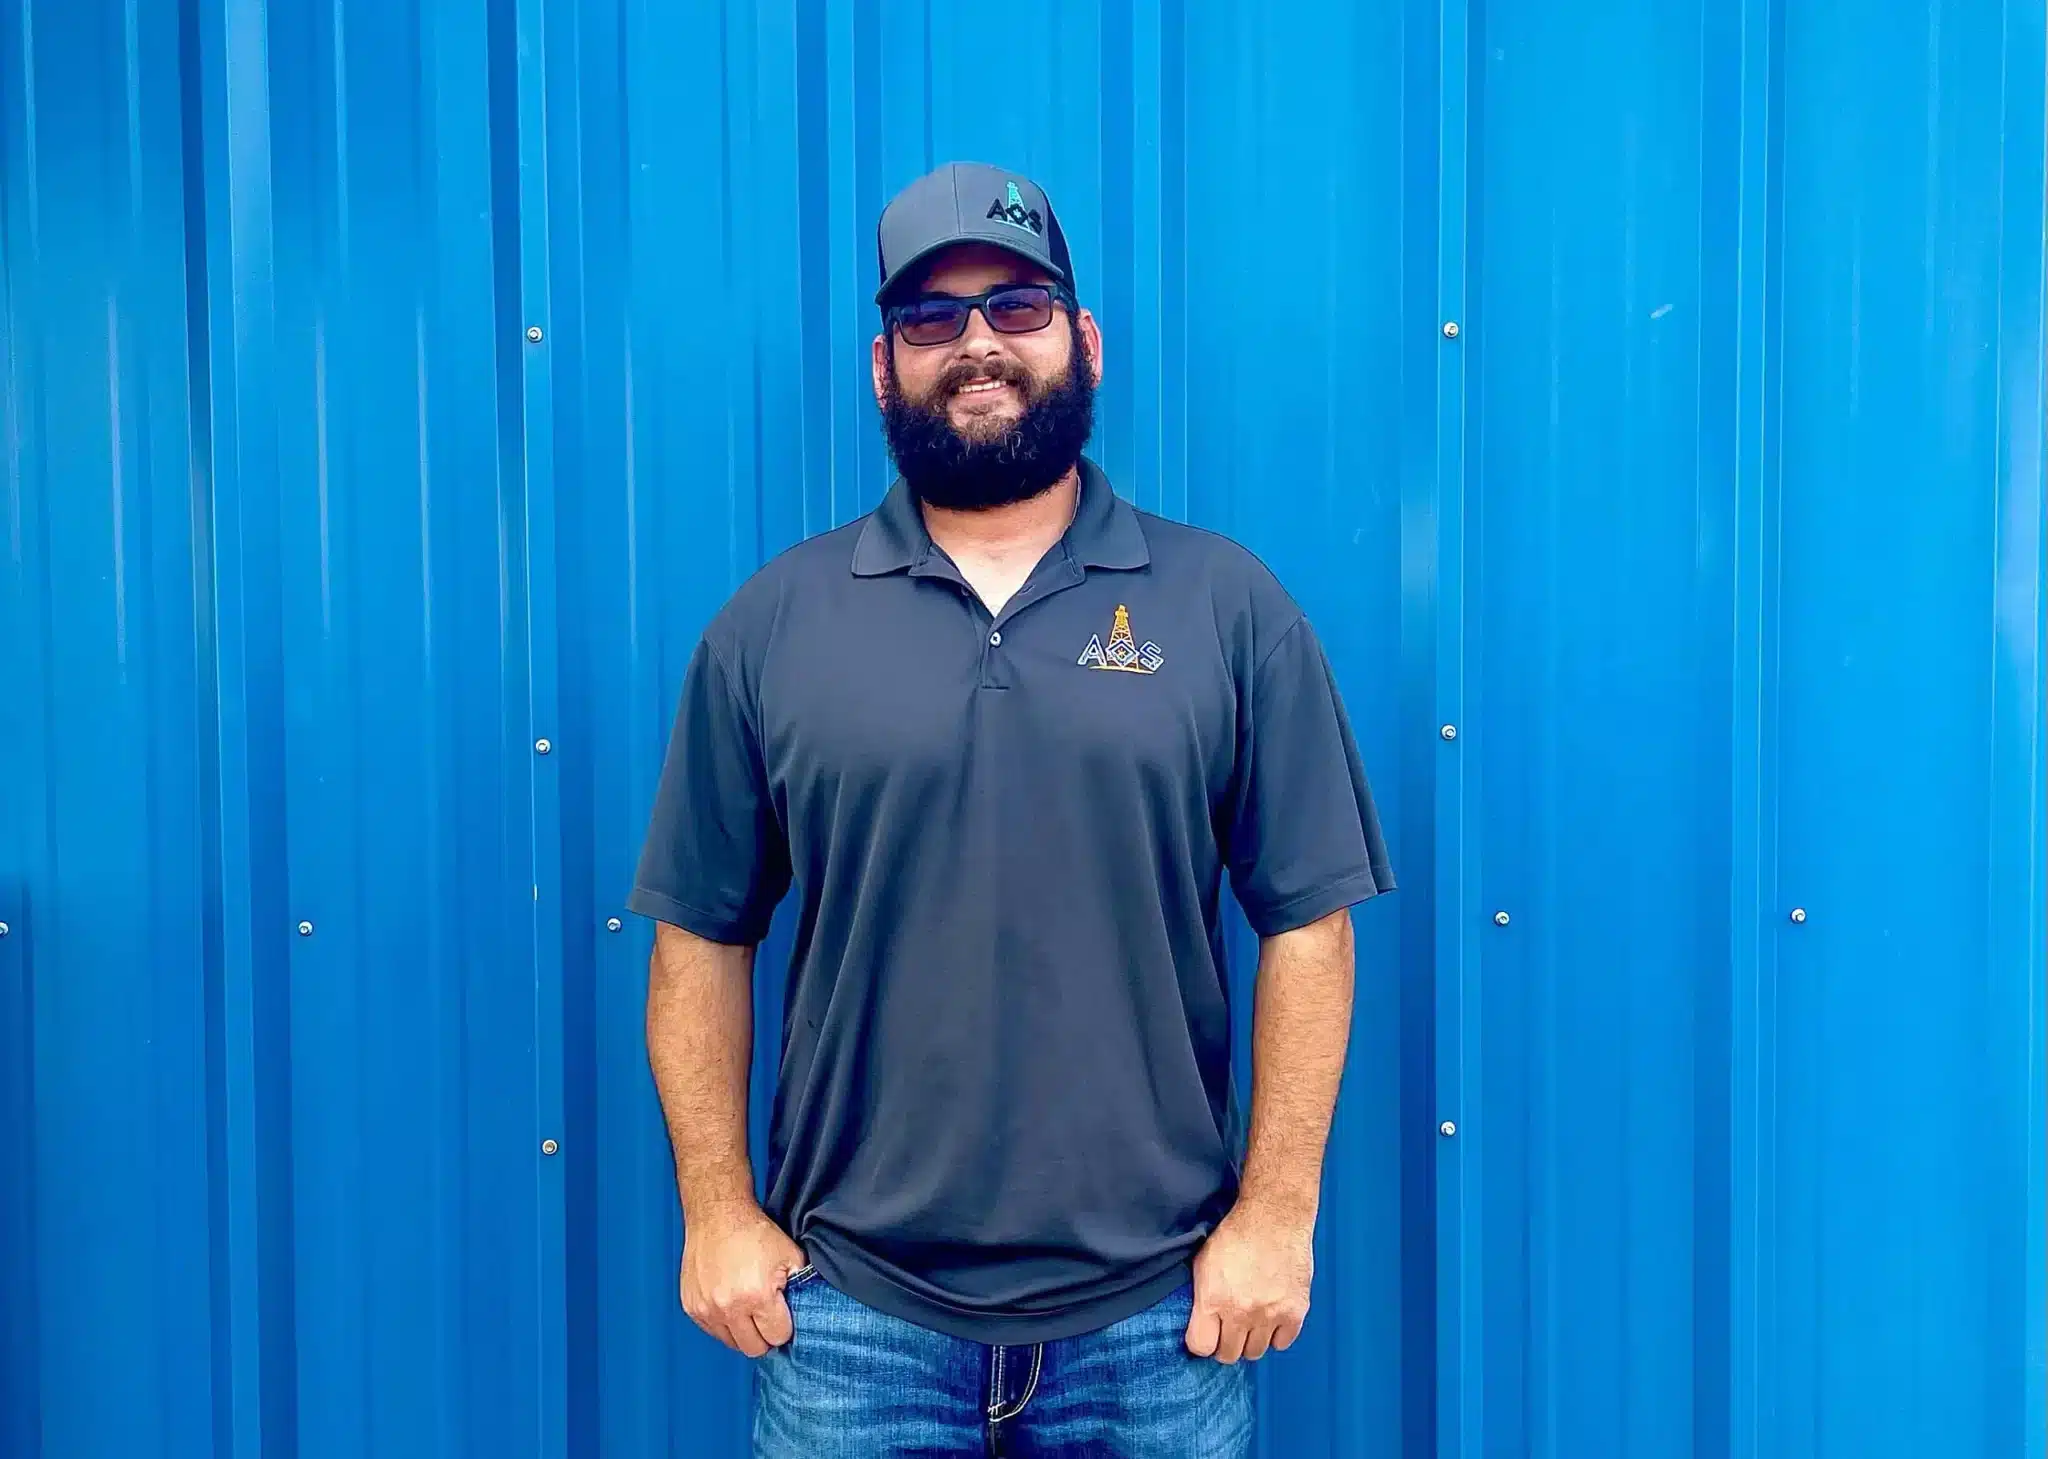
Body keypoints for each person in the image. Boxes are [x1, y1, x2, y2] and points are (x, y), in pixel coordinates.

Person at [629, 161, 1394, 1458]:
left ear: (1082, 341)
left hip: (1157, 1326)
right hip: (853, 1326)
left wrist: (1278, 1213)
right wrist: (715, 1206)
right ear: (885, 368)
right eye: (931, 318)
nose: (977, 343)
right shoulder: (776, 623)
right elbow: (700, 931)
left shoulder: (1223, 605)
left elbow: (1310, 921)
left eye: (1018, 304)